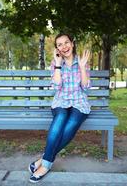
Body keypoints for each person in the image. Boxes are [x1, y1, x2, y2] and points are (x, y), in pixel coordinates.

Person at [29, 33, 91, 183]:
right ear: (57, 48)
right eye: (60, 44)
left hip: (79, 103)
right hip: (61, 102)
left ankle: (43, 162)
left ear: (72, 43)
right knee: (61, 118)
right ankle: (46, 163)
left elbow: (86, 88)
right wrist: (57, 64)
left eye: (66, 42)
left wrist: (82, 68)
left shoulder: (82, 62)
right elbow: (57, 87)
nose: (64, 46)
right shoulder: (56, 63)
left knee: (70, 125)